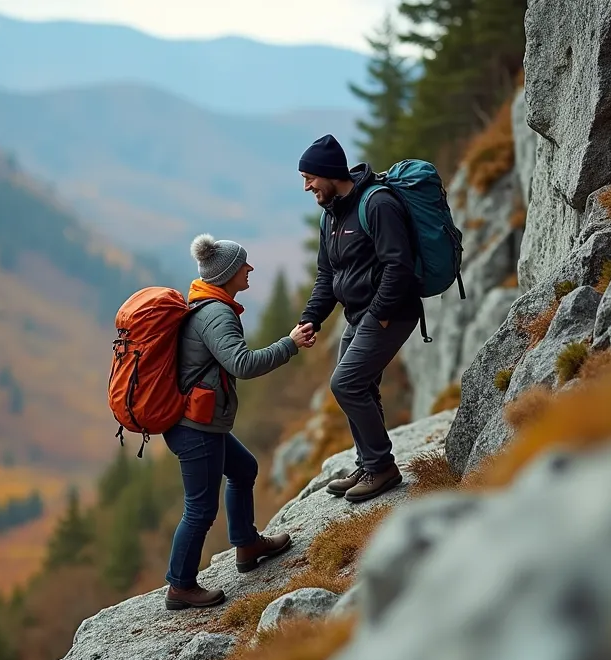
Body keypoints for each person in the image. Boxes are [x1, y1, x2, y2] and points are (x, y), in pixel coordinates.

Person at [162, 234, 315, 610]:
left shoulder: (205, 303)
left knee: (244, 468)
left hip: (200, 422)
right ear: (227, 274)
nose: (249, 269)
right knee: (199, 509)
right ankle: (180, 587)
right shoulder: (216, 314)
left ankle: (246, 544)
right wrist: (290, 343)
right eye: (243, 265)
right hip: (195, 428)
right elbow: (242, 364)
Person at [296, 134, 421, 503]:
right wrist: (310, 319)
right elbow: (326, 277)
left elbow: (398, 266)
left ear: (329, 174)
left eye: (309, 178)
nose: (306, 187)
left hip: (390, 312)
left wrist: (380, 316)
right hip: (358, 314)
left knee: (346, 384)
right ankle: (369, 463)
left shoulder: (377, 204)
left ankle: (382, 468)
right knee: (359, 387)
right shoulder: (330, 216)